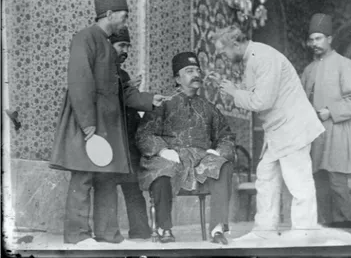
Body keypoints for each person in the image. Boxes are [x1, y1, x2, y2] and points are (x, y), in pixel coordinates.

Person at [50, 0, 165, 244]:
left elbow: (120, 91)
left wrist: (149, 100)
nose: (126, 20)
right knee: (84, 177)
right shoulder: (85, 37)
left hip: (109, 126)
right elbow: (79, 82)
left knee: (106, 179)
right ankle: (78, 236)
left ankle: (107, 234)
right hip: (89, 123)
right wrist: (88, 127)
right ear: (110, 13)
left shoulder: (106, 44)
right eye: (124, 15)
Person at [215, 24, 325, 240]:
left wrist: (234, 92)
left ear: (236, 44)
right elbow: (259, 93)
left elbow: (262, 100)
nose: (224, 56)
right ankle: (264, 231)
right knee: (266, 177)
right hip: (278, 130)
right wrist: (235, 89)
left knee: (298, 182)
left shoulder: (263, 57)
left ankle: (305, 233)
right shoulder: (253, 58)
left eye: (224, 51)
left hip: (292, 127)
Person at [137, 52, 235, 245]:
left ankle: (217, 228)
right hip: (170, 156)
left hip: (200, 160)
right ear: (177, 78)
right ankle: (163, 227)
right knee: (162, 169)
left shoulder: (209, 108)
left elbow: (226, 136)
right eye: (189, 71)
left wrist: (218, 152)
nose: (196, 74)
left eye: (197, 70)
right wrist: (163, 150)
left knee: (223, 166)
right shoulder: (163, 104)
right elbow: (144, 134)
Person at [301, 13, 351, 230]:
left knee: (337, 181)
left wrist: (331, 111)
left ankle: (344, 224)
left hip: (337, 130)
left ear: (330, 38)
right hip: (315, 134)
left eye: (318, 38)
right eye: (311, 39)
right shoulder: (309, 70)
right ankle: (325, 225)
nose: (314, 44)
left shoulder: (345, 65)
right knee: (318, 180)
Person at [109, 28, 151, 240]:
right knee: (107, 188)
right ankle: (109, 232)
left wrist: (129, 88)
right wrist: (126, 89)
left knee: (133, 187)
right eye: (121, 46)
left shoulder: (122, 74)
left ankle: (140, 230)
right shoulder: (103, 72)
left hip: (128, 140)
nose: (125, 51)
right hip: (112, 140)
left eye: (127, 46)